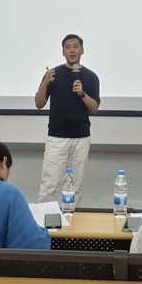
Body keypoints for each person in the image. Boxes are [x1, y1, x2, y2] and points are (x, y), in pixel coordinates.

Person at [34, 33, 100, 203]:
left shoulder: (91, 77)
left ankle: (73, 217)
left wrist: (82, 93)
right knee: (49, 185)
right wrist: (45, 83)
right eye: (68, 47)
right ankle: (46, 217)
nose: (72, 51)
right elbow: (39, 104)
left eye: (76, 47)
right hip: (57, 137)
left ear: (82, 50)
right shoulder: (53, 74)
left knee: (75, 186)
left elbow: (94, 108)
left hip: (81, 138)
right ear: (63, 52)